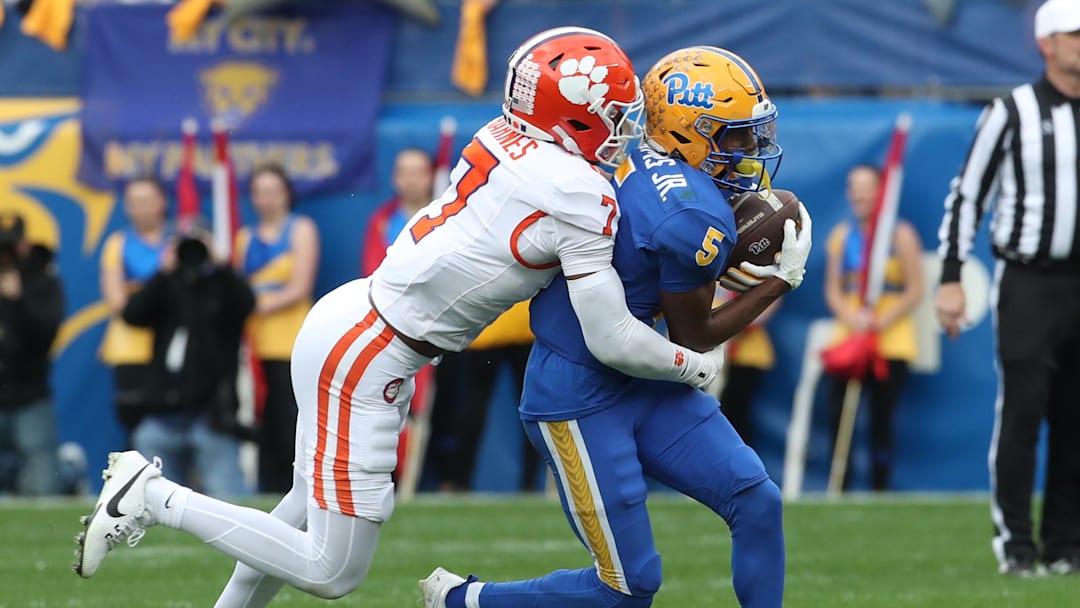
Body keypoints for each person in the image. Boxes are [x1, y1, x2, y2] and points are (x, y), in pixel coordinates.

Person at [72, 28, 728, 608]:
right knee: (333, 571)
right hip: (370, 352)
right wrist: (694, 365)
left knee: (297, 513)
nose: (623, 131)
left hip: (353, 321)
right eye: (614, 116)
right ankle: (153, 496)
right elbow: (611, 337)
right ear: (571, 116)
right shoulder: (578, 194)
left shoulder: (504, 136)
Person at [421, 46, 812, 608]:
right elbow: (695, 335)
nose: (750, 151)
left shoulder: (629, 151)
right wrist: (779, 282)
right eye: (734, 137)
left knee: (756, 500)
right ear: (687, 133)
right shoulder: (691, 214)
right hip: (578, 394)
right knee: (627, 588)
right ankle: (463, 601)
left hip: (641, 376)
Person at [935, 0, 1080, 577]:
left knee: (1075, 419)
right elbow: (968, 194)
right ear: (1047, 43)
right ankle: (1017, 545)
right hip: (1029, 280)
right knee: (1023, 412)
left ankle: (1066, 545)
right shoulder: (1012, 111)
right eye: (1075, 33)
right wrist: (951, 276)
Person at [122, 218, 255, 497]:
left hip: (211, 415)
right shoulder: (168, 286)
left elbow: (247, 303)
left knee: (228, 500)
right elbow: (132, 314)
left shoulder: (220, 287)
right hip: (163, 413)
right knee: (154, 499)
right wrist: (163, 271)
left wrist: (221, 264)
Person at [823, 164, 923, 491]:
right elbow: (833, 290)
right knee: (840, 414)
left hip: (890, 339)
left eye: (867, 187)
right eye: (854, 187)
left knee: (882, 418)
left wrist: (882, 321)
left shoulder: (899, 234)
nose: (860, 194)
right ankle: (840, 486)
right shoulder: (842, 236)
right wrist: (852, 319)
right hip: (849, 336)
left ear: (881, 192)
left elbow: (915, 289)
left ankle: (881, 488)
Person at [234, 163, 320, 494]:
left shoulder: (301, 229)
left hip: (291, 341)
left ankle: (297, 491)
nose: (266, 199)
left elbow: (300, 287)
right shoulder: (244, 237)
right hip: (254, 344)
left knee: (290, 423)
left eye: (273, 191)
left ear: (286, 194)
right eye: (260, 192)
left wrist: (253, 304)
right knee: (261, 423)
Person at [430, 301, 540, 492]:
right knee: (530, 405)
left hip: (487, 323)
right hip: (525, 323)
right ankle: (530, 484)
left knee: (475, 401)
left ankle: (459, 482)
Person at [0, 211, 64, 495]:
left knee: (44, 486)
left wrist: (19, 299)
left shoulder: (43, 281)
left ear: (24, 245)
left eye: (10, 246)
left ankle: (69, 473)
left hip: (30, 395)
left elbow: (46, 334)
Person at [99, 176, 170, 432]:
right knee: (135, 429)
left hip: (173, 347)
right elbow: (117, 300)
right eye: (134, 202)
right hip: (130, 348)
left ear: (161, 202)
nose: (140, 208)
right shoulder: (117, 243)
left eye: (146, 200)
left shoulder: (179, 241)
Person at [713, 290, 781, 448]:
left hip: (745, 354)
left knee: (736, 416)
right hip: (703, 347)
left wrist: (741, 323)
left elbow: (775, 294)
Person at [360, 148, 436, 277]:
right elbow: (372, 271)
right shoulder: (381, 221)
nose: (411, 180)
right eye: (404, 173)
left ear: (431, 176)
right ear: (394, 178)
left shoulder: (447, 218)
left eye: (418, 173)